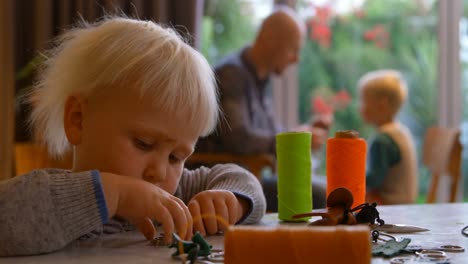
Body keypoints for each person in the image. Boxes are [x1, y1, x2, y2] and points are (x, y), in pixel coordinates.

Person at [0, 17, 266, 256]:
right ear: (78, 120)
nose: (159, 172)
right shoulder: (53, 198)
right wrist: (116, 194)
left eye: (176, 157)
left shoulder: (177, 194)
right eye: (144, 143)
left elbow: (243, 180)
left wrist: (229, 198)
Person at [196, 6, 330, 211]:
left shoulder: (258, 78)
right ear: (269, 40)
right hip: (226, 183)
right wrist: (290, 138)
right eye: (293, 48)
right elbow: (239, 138)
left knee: (324, 188)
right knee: (321, 194)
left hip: (248, 177)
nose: (296, 58)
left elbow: (268, 133)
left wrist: (300, 134)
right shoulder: (232, 75)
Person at [357, 69, 418, 204]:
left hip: (391, 203)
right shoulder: (402, 132)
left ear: (381, 106)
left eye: (363, 101)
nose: (359, 108)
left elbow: (374, 179)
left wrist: (352, 176)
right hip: (407, 202)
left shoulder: (382, 140)